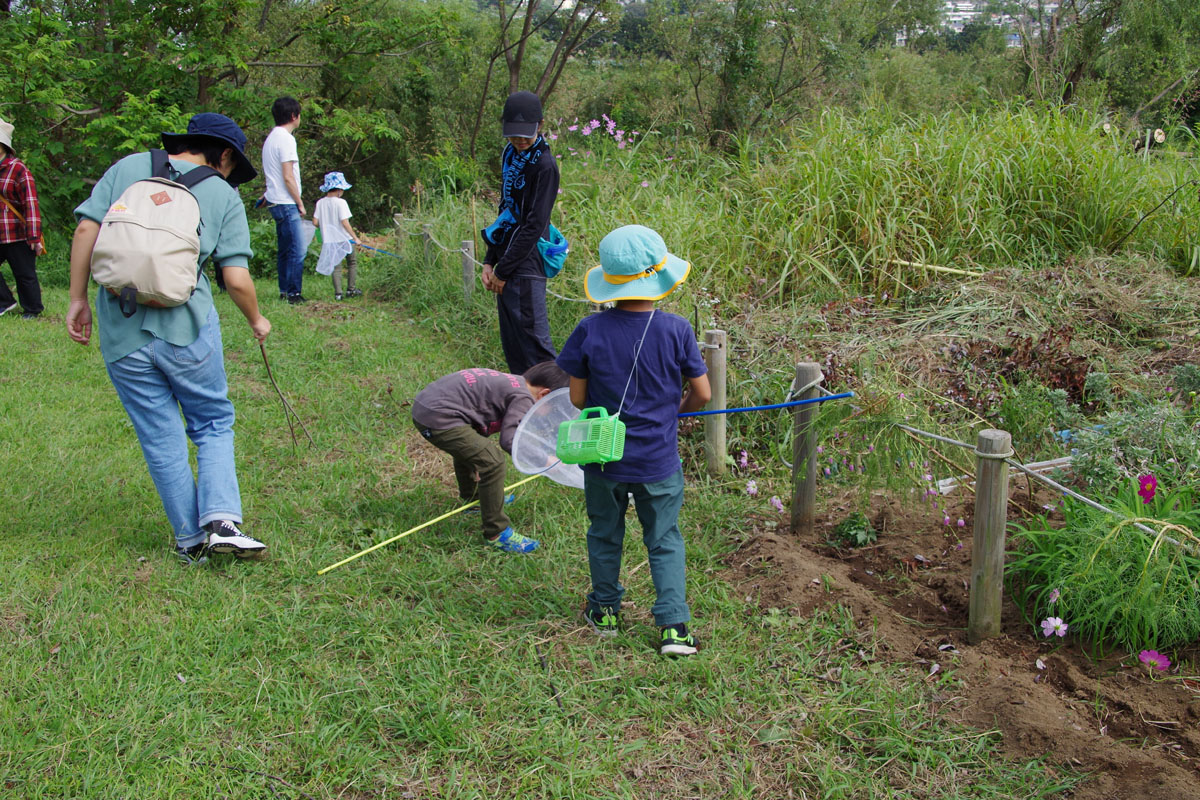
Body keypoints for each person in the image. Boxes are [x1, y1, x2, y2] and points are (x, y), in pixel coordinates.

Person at [65, 112, 271, 566]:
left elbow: (85, 230)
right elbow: (235, 277)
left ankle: (189, 542)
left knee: (160, 435)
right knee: (213, 421)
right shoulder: (222, 195)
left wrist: (77, 298)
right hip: (187, 329)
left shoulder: (127, 167)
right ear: (223, 155)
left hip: (121, 330)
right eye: (232, 167)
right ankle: (220, 521)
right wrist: (257, 319)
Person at [556, 225, 711, 657]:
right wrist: (674, 416)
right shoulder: (678, 330)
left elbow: (577, 397)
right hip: (658, 460)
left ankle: (605, 610)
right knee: (664, 538)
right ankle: (674, 629)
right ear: (658, 278)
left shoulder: (590, 329)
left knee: (605, 533)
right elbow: (703, 394)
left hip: (603, 460)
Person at [412, 361, 569, 553]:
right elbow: (510, 440)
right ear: (543, 395)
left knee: (473, 448)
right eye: (549, 408)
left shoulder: (515, 383)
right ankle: (497, 532)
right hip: (440, 417)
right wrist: (544, 459)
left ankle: (474, 499)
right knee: (492, 462)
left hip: (427, 408)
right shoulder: (524, 397)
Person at [481, 91, 560, 374]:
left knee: (536, 346)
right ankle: (523, 408)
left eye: (525, 135)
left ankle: (557, 410)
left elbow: (533, 225)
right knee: (513, 343)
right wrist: (490, 260)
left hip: (527, 262)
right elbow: (506, 209)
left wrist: (504, 271)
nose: (520, 142)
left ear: (540, 125)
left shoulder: (545, 165)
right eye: (513, 136)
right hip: (506, 258)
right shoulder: (510, 155)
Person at [262, 96, 307, 304]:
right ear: (293, 116)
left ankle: (283, 290)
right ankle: (293, 293)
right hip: (286, 201)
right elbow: (288, 176)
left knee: (284, 249)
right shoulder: (287, 139)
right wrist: (299, 202)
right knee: (297, 249)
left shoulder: (271, 138)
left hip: (274, 200)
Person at [0, 116, 45, 319]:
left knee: (25, 275)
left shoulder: (18, 170)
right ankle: (6, 302)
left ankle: (33, 310)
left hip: (17, 234)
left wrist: (34, 237)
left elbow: (30, 205)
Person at [312, 171, 361, 301]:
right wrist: (355, 238)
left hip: (330, 240)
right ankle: (351, 289)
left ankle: (338, 294)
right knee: (352, 263)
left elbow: (315, 222)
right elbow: (345, 222)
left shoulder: (320, 203)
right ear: (339, 190)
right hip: (344, 239)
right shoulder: (341, 203)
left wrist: (326, 225)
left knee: (336, 266)